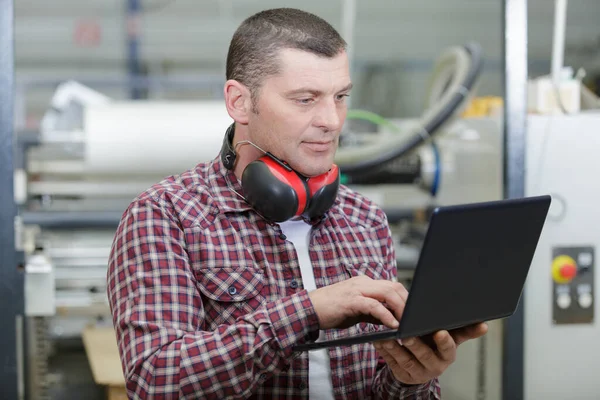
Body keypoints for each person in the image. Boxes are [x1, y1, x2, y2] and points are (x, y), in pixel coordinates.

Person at [107, 7, 487, 399]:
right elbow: (156, 380)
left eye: (340, 97)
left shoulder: (364, 219)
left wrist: (411, 378)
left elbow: (383, 387)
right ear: (239, 102)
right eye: (306, 99)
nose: (333, 120)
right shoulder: (166, 215)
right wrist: (308, 311)